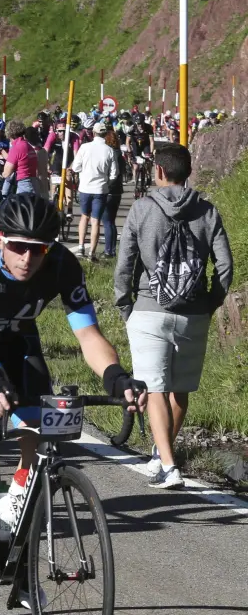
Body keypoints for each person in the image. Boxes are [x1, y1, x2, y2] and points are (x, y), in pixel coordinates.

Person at [0, 194, 144, 543]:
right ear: (0, 238)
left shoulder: (62, 265)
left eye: (38, 249)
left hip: (18, 332)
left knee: (39, 418)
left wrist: (116, 376)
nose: (27, 258)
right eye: (18, 246)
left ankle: (18, 495)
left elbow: (89, 336)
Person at [114, 144, 233, 490]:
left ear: (160, 172)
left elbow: (125, 263)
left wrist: (125, 305)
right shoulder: (207, 211)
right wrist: (210, 302)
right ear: (189, 171)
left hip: (149, 309)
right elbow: (225, 266)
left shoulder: (142, 208)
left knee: (154, 388)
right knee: (179, 390)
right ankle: (160, 452)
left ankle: (168, 465)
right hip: (194, 314)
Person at [68, 122, 118, 260]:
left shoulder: (85, 147)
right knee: (96, 221)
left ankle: (81, 247)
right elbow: (114, 174)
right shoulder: (110, 150)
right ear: (105, 134)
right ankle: (92, 253)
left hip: (85, 188)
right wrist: (106, 182)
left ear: (94, 133)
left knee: (84, 216)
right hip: (100, 189)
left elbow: (76, 167)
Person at [101, 129, 125, 258]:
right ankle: (112, 250)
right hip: (117, 190)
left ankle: (108, 251)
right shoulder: (119, 154)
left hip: (109, 189)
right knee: (111, 221)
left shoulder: (109, 153)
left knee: (107, 222)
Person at [0, 120, 39, 196]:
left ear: (10, 134)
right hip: (34, 184)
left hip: (24, 186)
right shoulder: (28, 146)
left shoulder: (16, 147)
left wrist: (1, 174)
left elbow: (7, 173)